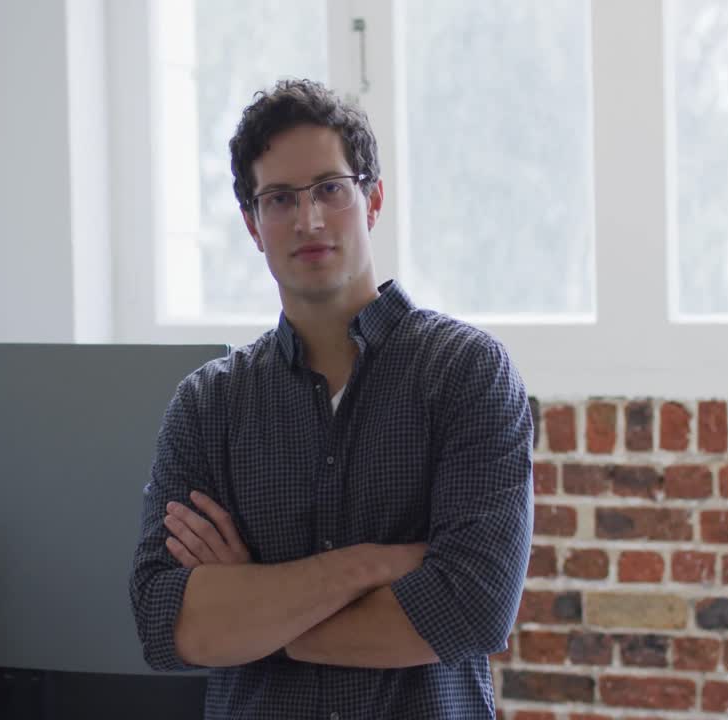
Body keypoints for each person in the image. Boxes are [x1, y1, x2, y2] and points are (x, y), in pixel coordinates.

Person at [128, 78, 534, 719]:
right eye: (280, 199)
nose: (309, 219)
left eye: (329, 189)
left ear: (372, 200)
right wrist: (368, 567)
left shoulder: (467, 373)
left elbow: (472, 609)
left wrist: (252, 607)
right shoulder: (208, 405)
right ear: (253, 225)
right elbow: (164, 622)